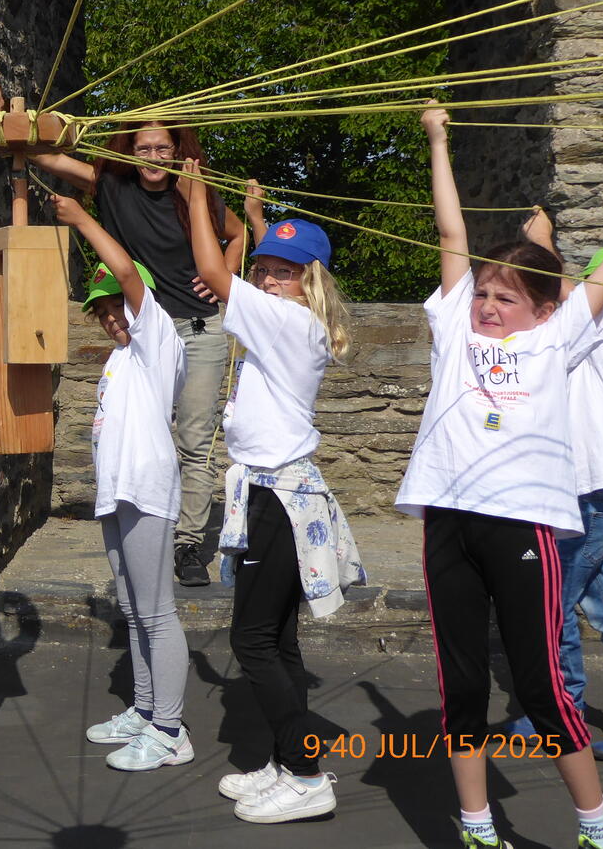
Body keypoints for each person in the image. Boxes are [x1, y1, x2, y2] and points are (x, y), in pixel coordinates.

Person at [394, 103, 603, 849]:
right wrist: (438, 140)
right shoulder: (454, 326)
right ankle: (478, 827)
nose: (487, 305)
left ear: (544, 310)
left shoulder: (555, 340)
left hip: (522, 526)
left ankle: (597, 825)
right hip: (450, 519)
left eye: (505, 297)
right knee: (463, 683)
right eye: (483, 292)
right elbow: (452, 235)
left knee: (540, 684)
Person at [182, 157, 362, 824]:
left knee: (252, 641)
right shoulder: (292, 320)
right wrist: (258, 224)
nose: (266, 279)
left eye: (282, 273)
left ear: (308, 281)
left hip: (277, 496)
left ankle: (307, 777)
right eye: (262, 270)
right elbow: (251, 271)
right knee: (279, 640)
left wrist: (196, 195)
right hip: (278, 491)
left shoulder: (287, 322)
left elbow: (210, 271)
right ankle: (289, 761)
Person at [17, 100, 245, 586]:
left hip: (200, 328)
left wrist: (223, 276)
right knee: (145, 435)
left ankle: (187, 545)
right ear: (129, 150)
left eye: (163, 147)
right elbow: (47, 158)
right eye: (144, 148)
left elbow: (238, 232)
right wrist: (7, 122)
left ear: (178, 150)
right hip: (145, 333)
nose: (154, 157)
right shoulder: (112, 185)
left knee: (195, 442)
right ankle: (148, 529)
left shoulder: (195, 194)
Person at [505, 210, 603, 763]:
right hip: (584, 494)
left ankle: (559, 710)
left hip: (586, 496)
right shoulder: (587, 334)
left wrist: (543, 242)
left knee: (553, 608)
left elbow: (567, 296)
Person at [52, 194, 193, 772]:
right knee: (133, 611)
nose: (113, 318)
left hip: (146, 490)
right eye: (103, 311)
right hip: (118, 494)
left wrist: (83, 219)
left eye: (119, 307)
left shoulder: (157, 338)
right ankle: (145, 709)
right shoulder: (118, 359)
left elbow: (130, 276)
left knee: (156, 612)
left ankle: (170, 731)